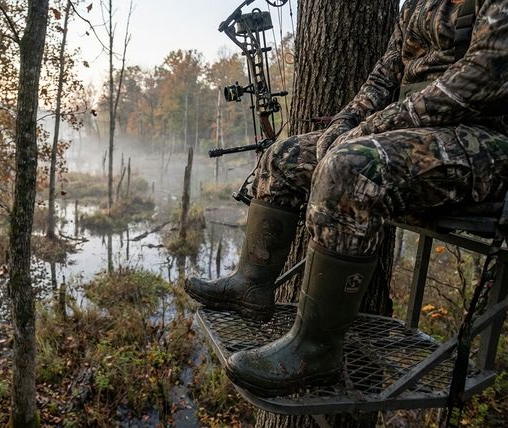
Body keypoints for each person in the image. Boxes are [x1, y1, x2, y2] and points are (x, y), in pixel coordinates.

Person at [185, 0, 508, 397]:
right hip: (413, 132)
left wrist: (372, 127)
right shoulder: (415, 7)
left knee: (351, 168)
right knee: (282, 157)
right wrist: (344, 122)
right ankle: (252, 285)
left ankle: (317, 350)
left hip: (483, 140)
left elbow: (485, 76)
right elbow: (383, 77)